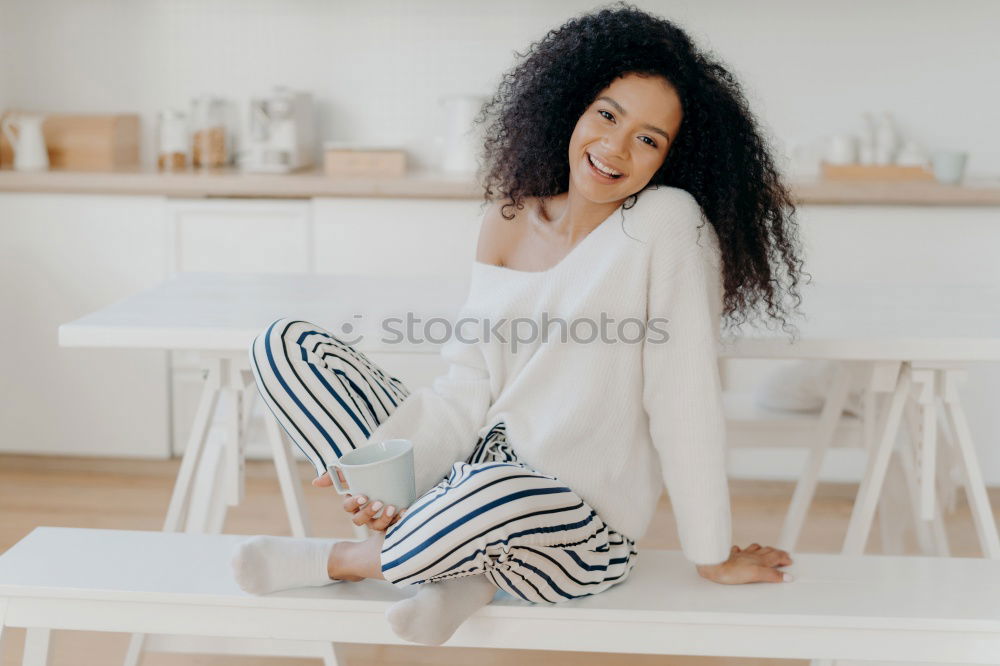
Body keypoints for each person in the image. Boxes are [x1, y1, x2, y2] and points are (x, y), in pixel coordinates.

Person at [230, 1, 808, 647]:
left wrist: (712, 552)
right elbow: (468, 384)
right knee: (286, 346)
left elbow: (684, 397)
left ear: (671, 159)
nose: (615, 147)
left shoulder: (665, 224)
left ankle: (347, 559)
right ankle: (442, 553)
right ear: (573, 108)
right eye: (607, 115)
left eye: (648, 138)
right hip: (468, 479)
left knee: (494, 489)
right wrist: (387, 472)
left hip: (577, 529)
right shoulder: (506, 218)